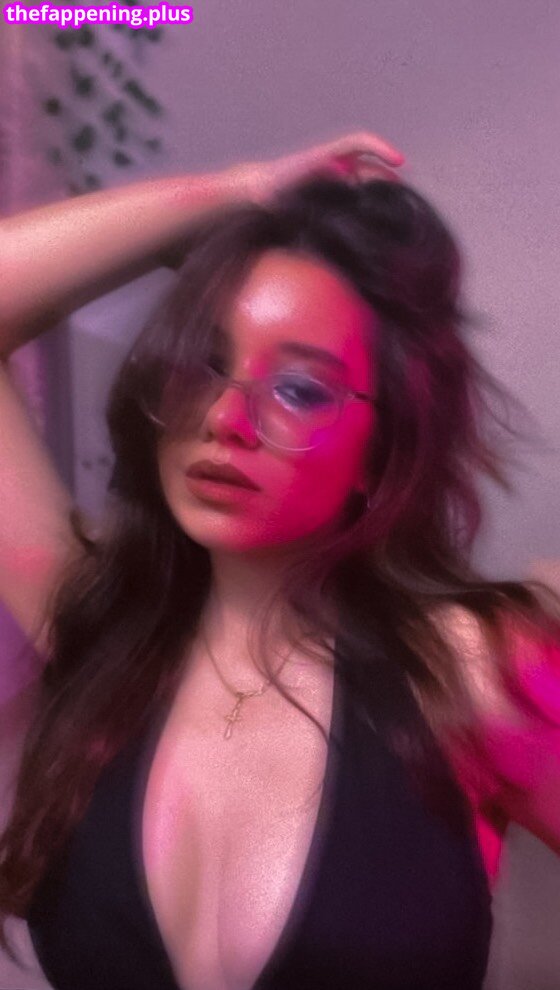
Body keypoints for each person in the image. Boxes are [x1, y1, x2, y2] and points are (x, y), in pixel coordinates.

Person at [0, 130, 560, 990]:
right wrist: (240, 189)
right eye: (203, 365)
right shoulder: (95, 629)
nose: (226, 419)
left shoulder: (477, 669)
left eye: (299, 388)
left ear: (383, 446)